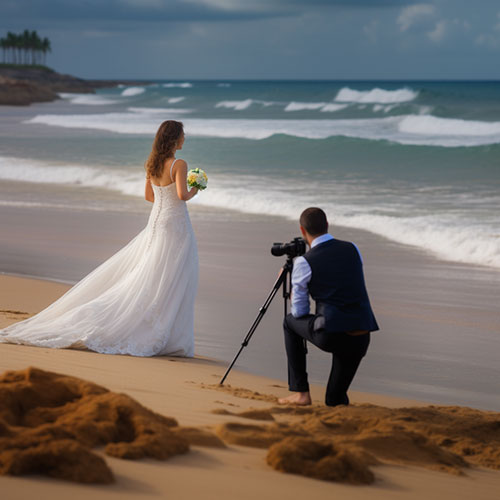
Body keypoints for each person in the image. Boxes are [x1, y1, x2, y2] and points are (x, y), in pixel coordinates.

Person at [0, 120, 199, 357]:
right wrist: (197, 186)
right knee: (171, 276)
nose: (184, 139)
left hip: (156, 222)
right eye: (183, 135)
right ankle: (164, 333)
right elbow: (182, 195)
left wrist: (169, 198)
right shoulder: (179, 164)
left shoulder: (152, 164)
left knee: (152, 272)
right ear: (175, 138)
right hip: (174, 226)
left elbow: (149, 197)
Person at [278, 207, 378, 406]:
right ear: (327, 226)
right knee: (335, 400)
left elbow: (300, 312)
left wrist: (291, 281)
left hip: (333, 335)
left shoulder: (304, 262)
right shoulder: (352, 249)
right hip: (361, 334)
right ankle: (337, 400)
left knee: (289, 322)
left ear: (302, 230)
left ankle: (301, 393)